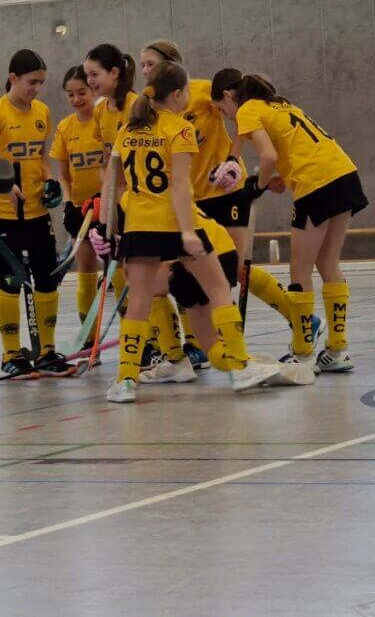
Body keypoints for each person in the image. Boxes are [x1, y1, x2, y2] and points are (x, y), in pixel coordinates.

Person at [93, 61, 281, 403]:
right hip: (173, 223)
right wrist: (188, 233)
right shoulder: (179, 130)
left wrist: (106, 230)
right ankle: (239, 367)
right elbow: (179, 186)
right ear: (178, 94)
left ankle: (125, 381)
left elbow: (110, 184)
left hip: (137, 225)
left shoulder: (126, 130)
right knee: (219, 287)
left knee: (139, 302)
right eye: (188, 93)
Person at [138, 40, 294, 374]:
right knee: (190, 275)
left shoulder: (200, 92)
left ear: (172, 66)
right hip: (191, 202)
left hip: (225, 193)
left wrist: (234, 158)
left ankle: (299, 318)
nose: (145, 71)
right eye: (142, 65)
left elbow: (241, 115)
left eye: (150, 64)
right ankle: (203, 349)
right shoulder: (152, 109)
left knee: (233, 271)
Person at [212, 70, 368, 373]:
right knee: (328, 264)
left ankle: (302, 353)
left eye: (222, 110)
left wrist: (255, 187)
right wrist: (278, 177)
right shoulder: (280, 104)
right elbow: (294, 146)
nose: (227, 117)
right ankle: (337, 350)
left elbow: (267, 156)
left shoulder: (247, 109)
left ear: (229, 97)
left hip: (317, 184)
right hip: (344, 174)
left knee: (300, 271)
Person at [0, 49, 68, 378]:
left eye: (41, 82)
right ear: (13, 78)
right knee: (10, 281)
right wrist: (2, 183)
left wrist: (50, 180)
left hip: (36, 212)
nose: (37, 89)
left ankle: (47, 351)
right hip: (2, 214)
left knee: (47, 278)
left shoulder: (42, 111)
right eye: (31, 82)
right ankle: (11, 354)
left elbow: (39, 156)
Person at [49, 66, 103, 334]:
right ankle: (89, 338)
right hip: (82, 211)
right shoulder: (65, 127)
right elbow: (63, 174)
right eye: (70, 94)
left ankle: (142, 343)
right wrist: (68, 204)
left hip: (111, 208)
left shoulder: (106, 121)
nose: (76, 99)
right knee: (86, 275)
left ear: (94, 88)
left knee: (121, 272)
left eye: (81, 92)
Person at [83, 43, 136, 311]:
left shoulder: (137, 107)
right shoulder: (100, 111)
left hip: (138, 201)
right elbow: (107, 163)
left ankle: (168, 341)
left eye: (95, 74)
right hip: (115, 200)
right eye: (87, 75)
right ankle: (137, 339)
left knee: (142, 273)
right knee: (117, 263)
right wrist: (104, 207)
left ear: (114, 72)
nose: (90, 81)